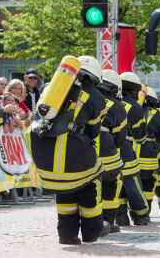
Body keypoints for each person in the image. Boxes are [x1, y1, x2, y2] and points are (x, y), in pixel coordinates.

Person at [30, 55, 108, 245]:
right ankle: (92, 231)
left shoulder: (51, 88)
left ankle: (67, 234)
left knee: (65, 191)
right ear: (96, 76)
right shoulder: (96, 97)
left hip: (46, 162)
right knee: (92, 181)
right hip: (75, 158)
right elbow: (93, 131)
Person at [116, 71, 149, 226]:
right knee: (133, 184)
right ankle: (141, 215)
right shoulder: (135, 107)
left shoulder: (111, 102)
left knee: (115, 184)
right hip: (126, 150)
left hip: (108, 150)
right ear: (134, 90)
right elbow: (140, 137)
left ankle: (120, 217)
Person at [96, 69, 127, 234]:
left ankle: (88, 222)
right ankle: (108, 221)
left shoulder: (85, 96)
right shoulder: (117, 106)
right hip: (107, 152)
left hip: (83, 150)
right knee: (113, 183)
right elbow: (120, 137)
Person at [134, 86, 160, 219]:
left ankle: (122, 217)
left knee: (127, 187)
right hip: (147, 161)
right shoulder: (159, 117)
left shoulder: (130, 110)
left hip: (130, 158)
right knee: (147, 187)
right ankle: (144, 214)